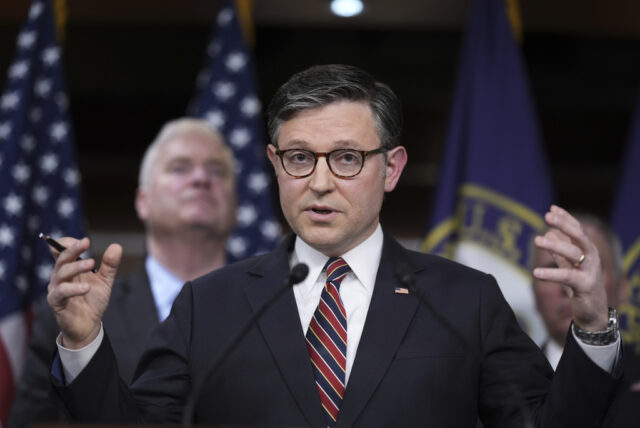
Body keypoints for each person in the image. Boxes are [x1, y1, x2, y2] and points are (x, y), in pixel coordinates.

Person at [46, 65, 621, 427]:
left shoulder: (464, 301)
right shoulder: (208, 305)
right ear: (275, 165)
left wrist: (594, 330)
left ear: (391, 168)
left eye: (347, 158)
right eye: (299, 158)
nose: (319, 182)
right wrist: (83, 341)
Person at [7, 117, 237, 427]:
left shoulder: (276, 304)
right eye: (180, 168)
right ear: (143, 201)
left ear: (235, 203)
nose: (201, 178)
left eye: (216, 171)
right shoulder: (76, 310)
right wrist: (81, 343)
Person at [532, 213, 639, 426]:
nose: (570, 283)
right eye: (554, 269)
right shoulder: (503, 384)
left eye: (585, 266)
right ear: (533, 292)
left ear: (622, 287)